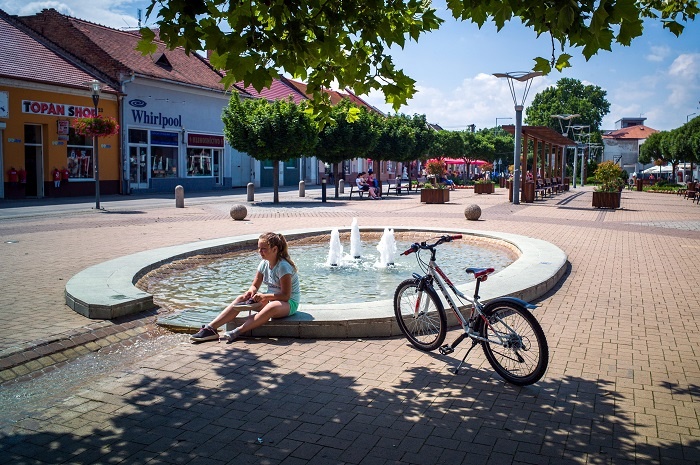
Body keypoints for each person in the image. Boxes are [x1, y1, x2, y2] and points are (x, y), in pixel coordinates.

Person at [190, 232, 301, 343]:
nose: (260, 251)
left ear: (275, 249)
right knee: (241, 298)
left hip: (289, 303)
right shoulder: (264, 264)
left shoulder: (283, 267)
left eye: (264, 249)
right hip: (272, 300)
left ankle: (237, 331)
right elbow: (254, 285)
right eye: (259, 248)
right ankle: (211, 329)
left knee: (272, 306)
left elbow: (285, 296)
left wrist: (264, 296)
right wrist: (251, 292)